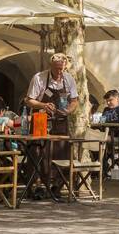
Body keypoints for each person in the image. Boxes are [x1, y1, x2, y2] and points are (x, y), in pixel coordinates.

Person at [24, 52, 78, 196]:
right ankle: (38, 186)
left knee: (60, 153)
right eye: (56, 69)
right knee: (39, 152)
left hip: (60, 122)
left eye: (62, 69)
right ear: (51, 66)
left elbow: (74, 101)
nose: (59, 72)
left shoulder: (68, 79)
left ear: (65, 66)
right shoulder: (39, 78)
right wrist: (43, 104)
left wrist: (68, 111)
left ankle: (57, 186)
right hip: (41, 121)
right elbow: (28, 100)